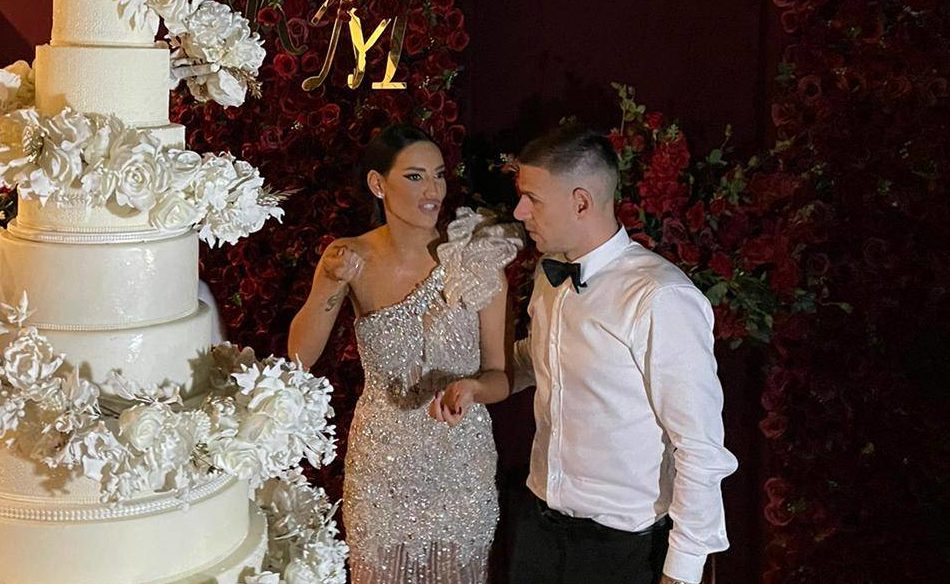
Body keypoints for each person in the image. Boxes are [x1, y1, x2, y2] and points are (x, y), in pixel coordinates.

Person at [287, 124, 522, 583]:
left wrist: (472, 389)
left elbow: (500, 375)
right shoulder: (349, 257)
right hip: (382, 466)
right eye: (415, 176)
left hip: (461, 463)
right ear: (378, 184)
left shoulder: (475, 256)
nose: (433, 190)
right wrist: (330, 284)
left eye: (439, 175)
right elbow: (300, 356)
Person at [505, 124, 738, 584]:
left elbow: (699, 447)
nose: (519, 212)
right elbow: (540, 360)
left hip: (625, 550)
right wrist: (477, 376)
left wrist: (683, 571)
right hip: (539, 531)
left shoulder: (659, 297)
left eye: (532, 198)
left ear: (581, 202)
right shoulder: (549, 276)